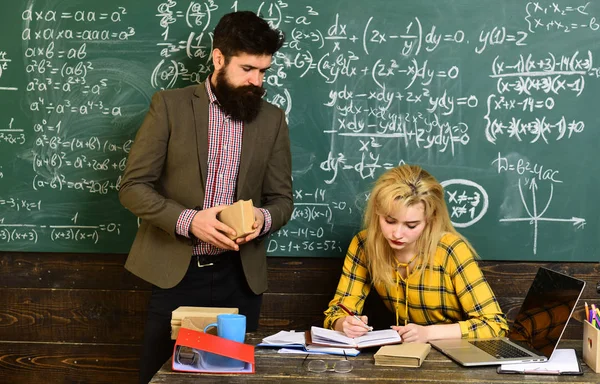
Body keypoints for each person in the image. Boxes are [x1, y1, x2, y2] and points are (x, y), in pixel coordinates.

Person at [119, 11, 292, 383]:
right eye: (248, 68)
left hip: (240, 277)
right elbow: (132, 188)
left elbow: (282, 200)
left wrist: (262, 221)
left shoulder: (273, 119)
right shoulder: (169, 106)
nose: (256, 81)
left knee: (232, 378)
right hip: (175, 275)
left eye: (263, 72)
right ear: (218, 59)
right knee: (162, 376)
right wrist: (190, 221)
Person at [323, 164, 509, 342]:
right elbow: (337, 312)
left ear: (430, 220)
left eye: (411, 225)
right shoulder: (365, 244)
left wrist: (428, 333)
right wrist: (344, 324)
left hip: (454, 353)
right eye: (389, 221)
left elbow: (494, 325)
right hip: (403, 354)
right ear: (377, 212)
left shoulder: (450, 249)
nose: (397, 234)